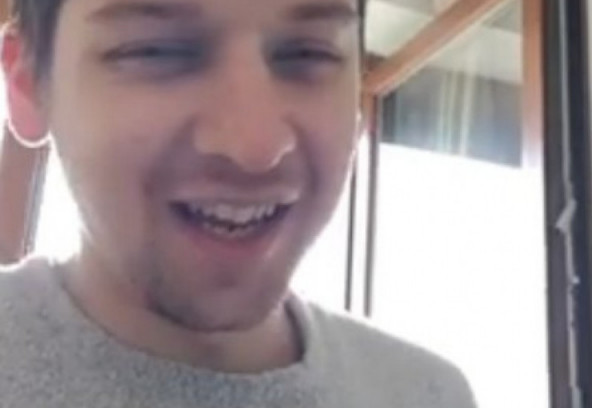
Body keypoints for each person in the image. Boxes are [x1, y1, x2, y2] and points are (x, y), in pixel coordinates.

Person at [0, 0, 476, 406]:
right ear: (26, 85)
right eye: (156, 50)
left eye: (307, 53)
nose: (255, 146)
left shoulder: (426, 394)